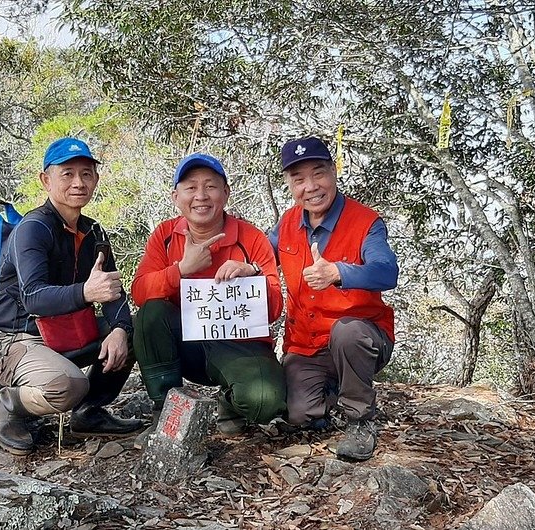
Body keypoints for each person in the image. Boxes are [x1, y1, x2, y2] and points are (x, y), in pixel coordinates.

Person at [0, 137, 142, 455]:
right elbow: (34, 298)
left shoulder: (93, 232)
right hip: (12, 340)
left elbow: (112, 293)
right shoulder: (33, 229)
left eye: (86, 173)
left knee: (136, 330)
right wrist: (85, 291)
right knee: (70, 386)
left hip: (64, 334)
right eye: (67, 174)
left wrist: (121, 329)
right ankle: (10, 404)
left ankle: (89, 413)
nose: (78, 182)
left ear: (95, 179)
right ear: (46, 180)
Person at [131, 153, 286, 442]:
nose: (201, 196)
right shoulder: (165, 235)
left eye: (211, 186)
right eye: (191, 187)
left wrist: (251, 274)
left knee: (266, 402)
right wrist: (182, 270)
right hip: (186, 342)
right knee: (151, 314)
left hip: (238, 344)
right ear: (176, 196)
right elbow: (139, 291)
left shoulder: (251, 238)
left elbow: (275, 307)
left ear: (226, 193)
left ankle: (230, 404)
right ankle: (164, 412)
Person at [269, 137, 398, 461]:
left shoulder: (366, 222)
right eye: (298, 179)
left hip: (361, 337)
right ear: (289, 184)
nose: (310, 187)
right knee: (300, 416)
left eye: (318, 173)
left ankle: (360, 419)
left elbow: (387, 272)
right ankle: (329, 395)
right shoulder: (286, 223)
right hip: (308, 345)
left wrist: (338, 273)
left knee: (348, 332)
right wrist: (244, 266)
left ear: (334, 171)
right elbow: (262, 257)